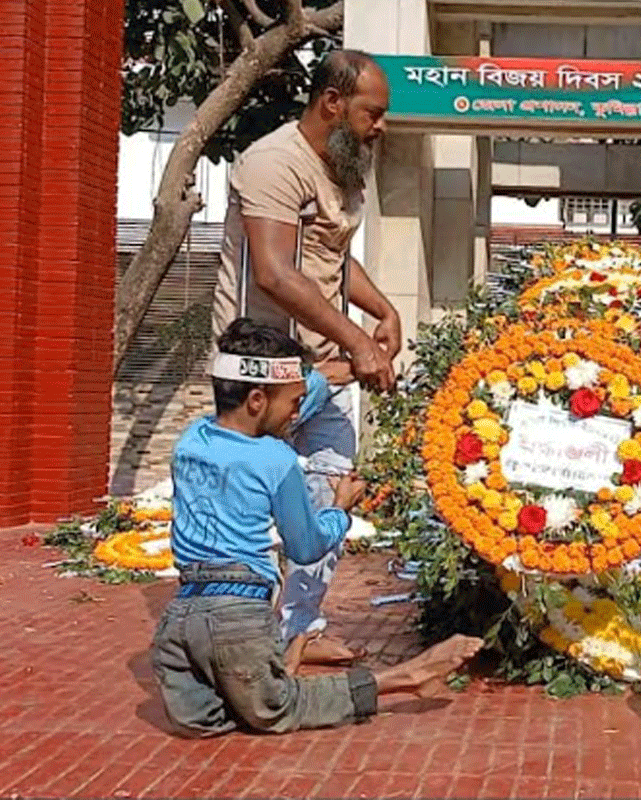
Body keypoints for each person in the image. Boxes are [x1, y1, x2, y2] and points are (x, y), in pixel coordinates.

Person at [151, 319, 483, 737]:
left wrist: (360, 360)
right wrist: (340, 510)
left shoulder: (191, 439)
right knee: (280, 709)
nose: (297, 413)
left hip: (180, 622)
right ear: (256, 400)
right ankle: (406, 677)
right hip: (239, 619)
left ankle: (275, 667)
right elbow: (306, 547)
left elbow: (296, 392)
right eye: (294, 403)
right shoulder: (275, 459)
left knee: (205, 720)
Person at [211, 49, 403, 662]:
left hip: (319, 374)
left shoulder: (343, 170)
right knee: (254, 513)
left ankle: (296, 631)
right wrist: (358, 342)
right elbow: (273, 273)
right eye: (372, 113)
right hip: (260, 376)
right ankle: (239, 641)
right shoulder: (274, 163)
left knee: (328, 497)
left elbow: (332, 262)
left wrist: (384, 312)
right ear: (332, 103)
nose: (381, 126)